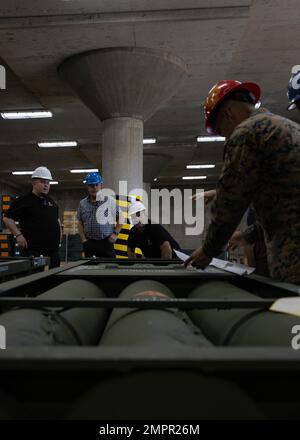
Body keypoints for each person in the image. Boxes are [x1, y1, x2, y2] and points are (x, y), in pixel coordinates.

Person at [185, 79, 300, 284]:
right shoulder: (285, 127)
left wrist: (209, 249)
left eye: (220, 130)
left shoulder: (246, 133)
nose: (224, 138)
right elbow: (285, 202)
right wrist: (245, 236)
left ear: (228, 113)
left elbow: (231, 200)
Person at [3, 166, 62, 268]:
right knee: (35, 279)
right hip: (33, 250)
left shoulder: (51, 201)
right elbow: (7, 218)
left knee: (54, 279)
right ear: (34, 183)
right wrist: (18, 235)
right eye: (43, 182)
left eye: (48, 183)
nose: (46, 185)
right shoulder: (23, 201)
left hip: (53, 250)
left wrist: (60, 236)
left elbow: (57, 220)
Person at [77, 172, 124, 258]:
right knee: (91, 269)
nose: (94, 188)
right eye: (91, 185)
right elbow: (80, 221)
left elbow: (121, 217)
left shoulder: (109, 201)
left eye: (96, 185)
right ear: (87, 186)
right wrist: (83, 239)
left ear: (100, 185)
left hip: (106, 243)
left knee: (110, 269)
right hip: (89, 244)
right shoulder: (82, 203)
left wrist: (116, 233)